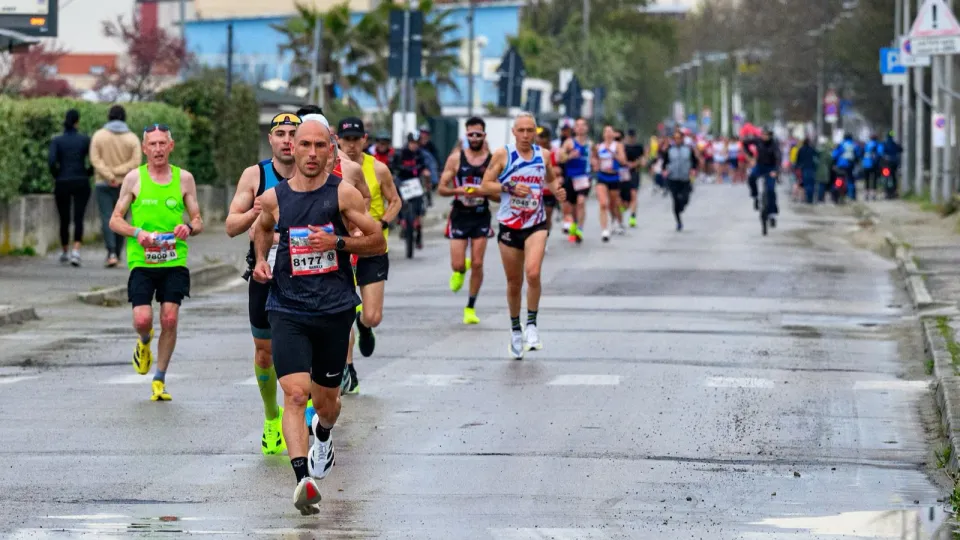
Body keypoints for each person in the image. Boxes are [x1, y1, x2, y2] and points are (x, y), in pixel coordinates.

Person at [251, 116, 386, 515]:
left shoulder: (343, 195)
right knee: (295, 393)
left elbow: (376, 240)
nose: (310, 153)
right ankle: (302, 480)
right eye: (303, 145)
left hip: (333, 309)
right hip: (287, 307)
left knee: (327, 405)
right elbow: (262, 226)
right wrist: (261, 260)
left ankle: (323, 436)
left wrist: (338, 242)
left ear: (331, 150)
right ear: (293, 149)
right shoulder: (275, 197)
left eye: (319, 146)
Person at [109, 124, 203, 402]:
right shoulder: (133, 178)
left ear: (171, 147)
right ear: (144, 148)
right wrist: (138, 233)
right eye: (153, 144)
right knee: (142, 319)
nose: (158, 149)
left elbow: (198, 219)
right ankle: (145, 341)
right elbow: (115, 219)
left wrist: (189, 228)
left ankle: (159, 379)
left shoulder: (184, 179)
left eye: (163, 144)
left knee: (170, 318)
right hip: (142, 260)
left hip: (175, 259)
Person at [225, 112, 301, 455]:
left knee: (305, 349)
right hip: (264, 270)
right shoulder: (255, 175)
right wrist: (260, 211)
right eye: (280, 134)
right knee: (263, 352)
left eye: (293, 134)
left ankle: (300, 410)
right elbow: (231, 225)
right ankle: (272, 416)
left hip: (307, 272)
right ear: (270, 140)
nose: (287, 140)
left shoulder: (313, 173)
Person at [477, 113, 565, 359]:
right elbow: (485, 185)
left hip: (535, 224)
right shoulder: (503, 155)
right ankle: (516, 329)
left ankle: (532, 325)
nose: (526, 135)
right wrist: (510, 187)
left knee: (534, 272)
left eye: (530, 130)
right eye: (522, 131)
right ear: (514, 132)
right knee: (514, 283)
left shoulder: (543, 155)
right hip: (509, 225)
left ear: (535, 133)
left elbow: (551, 176)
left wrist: (557, 190)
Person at [336, 117, 401, 390]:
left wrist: (381, 224)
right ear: (337, 139)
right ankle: (347, 369)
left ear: (365, 140)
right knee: (342, 313)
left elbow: (395, 201)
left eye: (356, 139)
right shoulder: (332, 168)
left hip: (372, 247)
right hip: (342, 248)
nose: (351, 145)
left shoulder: (379, 169)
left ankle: (364, 326)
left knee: (372, 315)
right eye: (346, 139)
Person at [439, 117, 494, 324]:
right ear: (466, 135)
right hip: (460, 215)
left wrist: (484, 190)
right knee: (457, 263)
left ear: (484, 136)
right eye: (471, 134)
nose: (474, 138)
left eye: (478, 134)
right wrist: (457, 190)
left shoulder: (492, 160)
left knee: (479, 263)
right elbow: (441, 188)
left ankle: (470, 307)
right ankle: (461, 268)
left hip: (481, 215)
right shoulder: (455, 159)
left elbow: (499, 192)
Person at [90, 105, 142, 268]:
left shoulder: (99, 136)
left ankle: (111, 252)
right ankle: (118, 253)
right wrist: (118, 173)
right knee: (122, 218)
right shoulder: (132, 138)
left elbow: (95, 159)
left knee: (107, 217)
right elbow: (136, 162)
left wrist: (109, 174)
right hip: (125, 184)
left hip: (103, 183)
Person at [48, 109, 93, 267]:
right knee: (79, 217)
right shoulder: (84, 140)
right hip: (81, 180)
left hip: (63, 181)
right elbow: (93, 160)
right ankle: (76, 251)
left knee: (64, 218)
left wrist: (57, 175)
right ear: (77, 122)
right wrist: (88, 173)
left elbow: (52, 161)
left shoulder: (57, 140)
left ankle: (65, 250)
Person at [391, 134, 430, 250]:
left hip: (415, 182)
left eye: (416, 143)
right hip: (402, 181)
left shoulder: (420, 154)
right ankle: (400, 219)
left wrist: (426, 173)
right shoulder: (400, 153)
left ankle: (418, 231)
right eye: (412, 143)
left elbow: (424, 167)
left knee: (419, 206)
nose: (414, 145)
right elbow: (394, 167)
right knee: (397, 198)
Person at [592, 125, 629, 241]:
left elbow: (623, 161)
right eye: (606, 132)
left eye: (610, 132)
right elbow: (594, 160)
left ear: (613, 134)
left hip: (614, 177)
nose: (608, 134)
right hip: (602, 176)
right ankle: (604, 230)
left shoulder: (618, 146)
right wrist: (595, 163)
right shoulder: (599, 147)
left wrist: (613, 154)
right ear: (603, 135)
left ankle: (616, 221)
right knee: (603, 204)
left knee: (613, 204)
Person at [559, 118, 591, 243]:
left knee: (581, 202)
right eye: (578, 125)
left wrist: (595, 162)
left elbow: (595, 158)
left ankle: (580, 229)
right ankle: (574, 223)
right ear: (575, 129)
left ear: (587, 128)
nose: (581, 127)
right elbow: (560, 158)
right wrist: (570, 156)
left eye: (583, 125)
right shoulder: (569, 142)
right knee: (571, 206)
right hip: (571, 177)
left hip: (584, 177)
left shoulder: (590, 144)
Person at [660, 130, 697, 231]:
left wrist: (693, 170)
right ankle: (678, 221)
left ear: (682, 139)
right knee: (675, 200)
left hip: (685, 178)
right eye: (675, 138)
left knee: (685, 198)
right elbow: (664, 163)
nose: (677, 140)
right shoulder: (669, 150)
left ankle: (682, 206)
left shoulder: (688, 150)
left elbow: (694, 162)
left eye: (679, 138)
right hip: (673, 178)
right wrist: (664, 171)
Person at [621, 129, 645, 226]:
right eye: (629, 137)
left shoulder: (639, 147)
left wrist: (635, 164)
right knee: (625, 199)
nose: (631, 139)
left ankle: (633, 217)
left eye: (632, 137)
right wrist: (626, 164)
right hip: (624, 173)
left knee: (634, 194)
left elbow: (643, 160)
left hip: (635, 173)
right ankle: (623, 209)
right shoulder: (623, 147)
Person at [831, 133, 861, 201]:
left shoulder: (841, 144)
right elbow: (858, 154)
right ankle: (851, 196)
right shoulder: (854, 145)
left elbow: (834, 154)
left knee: (839, 178)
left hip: (841, 165)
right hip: (850, 165)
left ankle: (837, 192)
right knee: (851, 180)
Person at [879, 131, 903, 199]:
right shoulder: (894, 144)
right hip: (894, 164)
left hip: (886, 164)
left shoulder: (883, 144)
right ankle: (894, 191)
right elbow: (901, 149)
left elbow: (880, 153)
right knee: (894, 177)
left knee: (886, 177)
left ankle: (886, 192)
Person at [795, 137, 819, 204]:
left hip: (804, 168)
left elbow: (797, 160)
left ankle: (808, 198)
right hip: (811, 168)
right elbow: (817, 156)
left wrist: (797, 168)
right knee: (811, 184)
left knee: (806, 184)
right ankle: (810, 198)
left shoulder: (801, 149)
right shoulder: (812, 149)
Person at [862, 134, 881, 201]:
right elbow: (880, 153)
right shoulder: (878, 144)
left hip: (866, 164)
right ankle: (873, 195)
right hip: (874, 165)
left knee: (866, 180)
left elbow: (862, 153)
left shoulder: (867, 145)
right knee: (874, 180)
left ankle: (866, 195)